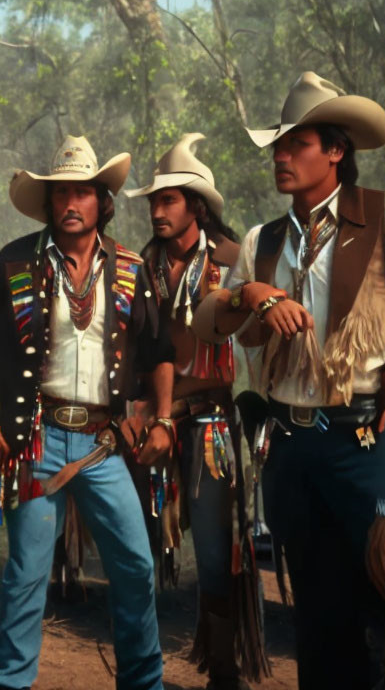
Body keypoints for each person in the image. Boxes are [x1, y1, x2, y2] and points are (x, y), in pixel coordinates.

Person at [193, 71, 385, 689]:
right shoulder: (262, 241)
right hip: (290, 447)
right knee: (321, 614)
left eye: (295, 144)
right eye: (278, 145)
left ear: (335, 152)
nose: (280, 156)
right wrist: (252, 292)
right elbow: (209, 324)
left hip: (363, 438)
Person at [0, 135, 174, 690]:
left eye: (83, 192)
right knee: (25, 576)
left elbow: (161, 352)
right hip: (33, 442)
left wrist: (162, 417)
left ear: (101, 201)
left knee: (136, 568)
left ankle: (144, 684)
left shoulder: (131, 268)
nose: (72, 202)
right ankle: (8, 684)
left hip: (103, 446)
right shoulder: (14, 262)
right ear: (48, 202)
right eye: (62, 192)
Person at [125, 133, 270, 689]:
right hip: (148, 422)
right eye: (152, 203)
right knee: (140, 547)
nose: (157, 211)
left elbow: (257, 336)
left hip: (209, 423)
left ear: (197, 206)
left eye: (168, 201)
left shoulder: (235, 262)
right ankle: (142, 664)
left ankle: (225, 670)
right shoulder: (136, 266)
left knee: (216, 552)